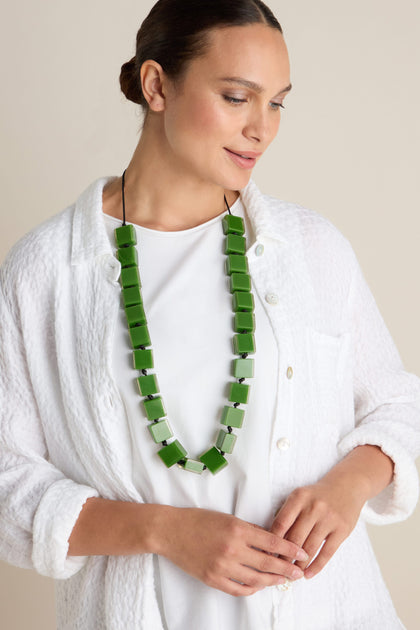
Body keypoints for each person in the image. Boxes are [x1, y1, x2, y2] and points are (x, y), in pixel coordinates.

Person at [0, 0, 419, 628]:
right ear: (156, 85)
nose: (262, 127)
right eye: (235, 97)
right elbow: (7, 482)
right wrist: (164, 532)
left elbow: (397, 404)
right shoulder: (46, 271)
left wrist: (349, 486)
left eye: (276, 102)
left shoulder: (309, 248)